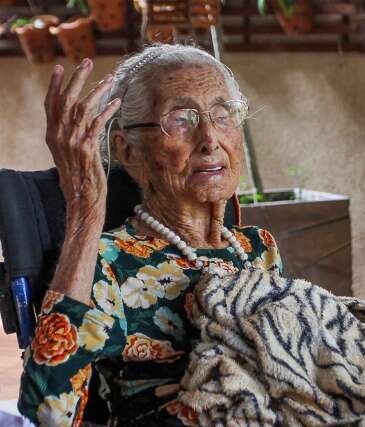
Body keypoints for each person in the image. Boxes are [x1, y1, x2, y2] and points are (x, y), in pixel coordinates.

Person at [18, 43, 281, 426]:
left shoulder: (257, 249)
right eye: (181, 119)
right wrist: (86, 208)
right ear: (128, 152)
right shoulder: (110, 264)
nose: (210, 138)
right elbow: (49, 412)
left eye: (222, 115)